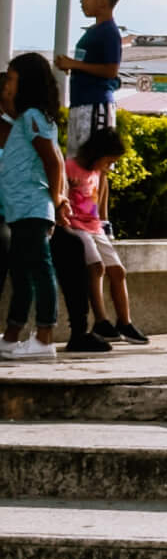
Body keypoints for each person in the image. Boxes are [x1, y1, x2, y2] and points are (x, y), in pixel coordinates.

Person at [0, 53, 68, 359]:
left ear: (26, 83)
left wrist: (55, 199)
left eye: (12, 79)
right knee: (21, 273)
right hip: (20, 210)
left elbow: (53, 161)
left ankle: (44, 337)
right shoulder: (26, 119)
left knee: (40, 271)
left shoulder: (31, 118)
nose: (8, 85)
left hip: (32, 208)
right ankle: (11, 336)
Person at [59, 123, 141, 346]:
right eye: (108, 161)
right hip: (76, 226)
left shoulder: (98, 173)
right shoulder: (69, 168)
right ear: (97, 154)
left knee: (118, 270)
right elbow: (61, 194)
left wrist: (104, 223)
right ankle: (101, 320)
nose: (109, 166)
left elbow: (100, 200)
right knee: (96, 268)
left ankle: (124, 321)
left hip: (94, 226)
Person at [54, 0, 120, 210]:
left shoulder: (109, 32)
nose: (82, 2)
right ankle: (84, 212)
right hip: (81, 104)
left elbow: (111, 70)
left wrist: (75, 65)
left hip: (95, 105)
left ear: (103, 0)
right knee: (80, 162)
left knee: (95, 163)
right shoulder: (92, 32)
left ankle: (97, 218)